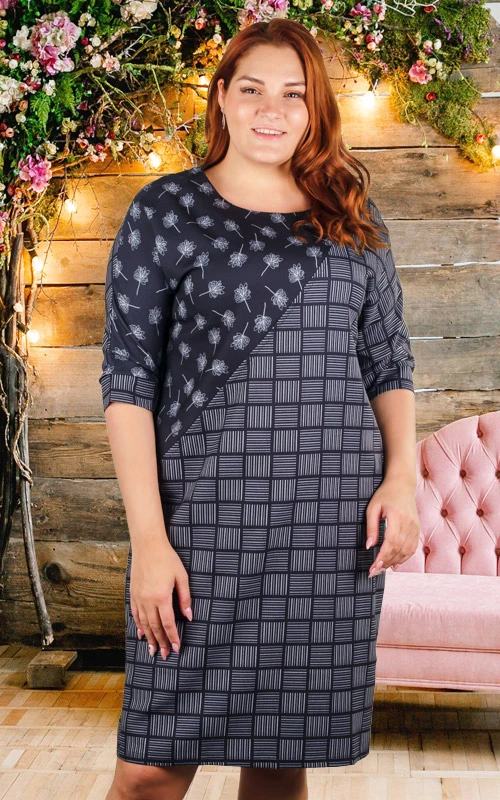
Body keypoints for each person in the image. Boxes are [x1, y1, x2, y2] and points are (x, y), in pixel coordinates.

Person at [101, 17, 420, 800]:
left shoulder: (350, 214)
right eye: (251, 89)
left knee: (279, 766)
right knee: (147, 774)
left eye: (293, 94)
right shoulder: (165, 211)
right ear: (220, 97)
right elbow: (127, 383)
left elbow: (389, 363)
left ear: (315, 108)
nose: (271, 110)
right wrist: (149, 541)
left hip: (326, 532)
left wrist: (402, 481)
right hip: (200, 529)